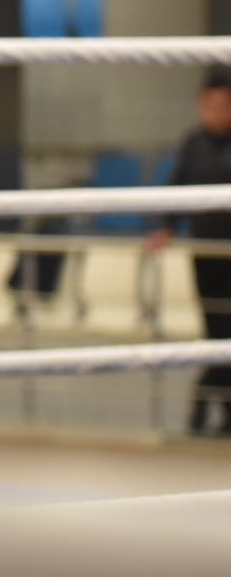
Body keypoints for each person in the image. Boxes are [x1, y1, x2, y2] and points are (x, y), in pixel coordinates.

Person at [145, 64, 231, 437]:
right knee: (216, 332)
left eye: (225, 105)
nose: (217, 113)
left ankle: (202, 403)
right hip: (206, 256)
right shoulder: (194, 142)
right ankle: (216, 411)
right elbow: (176, 187)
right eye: (210, 105)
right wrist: (167, 226)